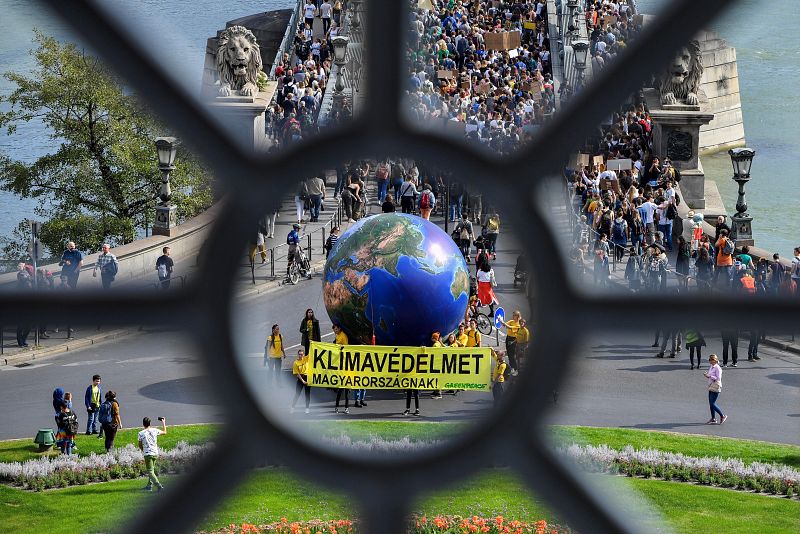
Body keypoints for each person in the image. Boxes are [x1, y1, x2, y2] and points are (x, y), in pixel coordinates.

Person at [138, 416, 167, 491]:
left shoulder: (141, 433)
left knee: (150, 472)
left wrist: (143, 450)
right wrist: (163, 422)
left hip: (148, 454)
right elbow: (164, 432)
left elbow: (140, 444)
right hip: (155, 453)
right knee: (152, 470)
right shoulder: (154, 430)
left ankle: (159, 486)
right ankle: (149, 486)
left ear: (143, 424)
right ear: (150, 423)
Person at [703, 354, 727, 425]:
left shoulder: (718, 368)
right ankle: (713, 418)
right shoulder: (712, 366)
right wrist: (707, 375)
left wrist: (709, 376)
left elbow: (718, 378)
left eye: (712, 360)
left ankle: (722, 416)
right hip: (711, 385)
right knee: (711, 404)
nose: (710, 361)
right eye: (710, 360)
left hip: (716, 386)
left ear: (715, 360)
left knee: (712, 403)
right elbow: (711, 376)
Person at [332, 324, 350, 414]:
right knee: (339, 392)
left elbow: (346, 348)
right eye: (334, 329)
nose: (334, 331)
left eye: (335, 329)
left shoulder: (343, 336)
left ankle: (346, 408)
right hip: (339, 363)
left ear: (339, 328)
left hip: (345, 373)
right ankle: (336, 407)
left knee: (346, 393)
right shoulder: (337, 335)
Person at [499, 310, 523, 376]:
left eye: (514, 315)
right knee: (509, 355)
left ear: (517, 316)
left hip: (513, 340)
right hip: (508, 338)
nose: (513, 316)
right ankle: (512, 368)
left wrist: (502, 321)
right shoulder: (511, 321)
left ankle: (516, 369)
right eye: (513, 315)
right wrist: (501, 321)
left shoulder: (518, 324)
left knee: (512, 355)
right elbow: (505, 325)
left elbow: (509, 327)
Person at [15, 263, 32, 347]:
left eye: (20, 266)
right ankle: (20, 341)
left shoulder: (27, 272)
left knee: (29, 325)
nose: (18, 267)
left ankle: (23, 339)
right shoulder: (20, 275)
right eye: (18, 266)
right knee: (21, 325)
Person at [290, 348, 311, 414]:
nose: (300, 356)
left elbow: (312, 351)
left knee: (307, 394)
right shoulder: (295, 363)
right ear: (298, 355)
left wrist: (311, 343)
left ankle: (307, 408)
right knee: (297, 394)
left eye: (302, 354)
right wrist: (302, 381)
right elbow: (297, 374)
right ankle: (292, 407)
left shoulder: (306, 358)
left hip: (307, 377)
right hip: (300, 379)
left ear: (304, 355)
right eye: (299, 354)